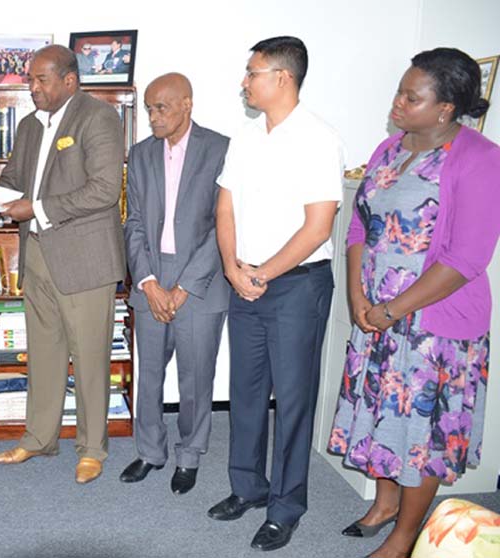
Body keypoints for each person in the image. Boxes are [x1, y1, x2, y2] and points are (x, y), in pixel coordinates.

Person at [328, 48, 500, 558]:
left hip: (432, 325)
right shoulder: (388, 149)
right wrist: (360, 295)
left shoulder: (480, 159)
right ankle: (384, 504)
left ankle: (404, 537)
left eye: (411, 96)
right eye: (400, 91)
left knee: (419, 432)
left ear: (445, 109)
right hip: (376, 313)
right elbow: (360, 226)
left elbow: (466, 258)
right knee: (380, 414)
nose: (397, 102)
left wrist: (392, 310)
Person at [208, 36, 344, 552]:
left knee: (292, 402)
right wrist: (231, 266)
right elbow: (226, 208)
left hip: (295, 287)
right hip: (245, 279)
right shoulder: (246, 136)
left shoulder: (318, 138)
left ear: (282, 78)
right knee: (244, 393)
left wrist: (261, 272)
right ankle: (248, 487)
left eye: (252, 72)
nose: (244, 82)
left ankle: (286, 508)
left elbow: (317, 228)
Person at [0, 44, 125, 485]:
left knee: (89, 358)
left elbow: (104, 190)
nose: (31, 87)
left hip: (85, 260)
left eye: (40, 79)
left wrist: (37, 208)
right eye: (29, 79)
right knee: (43, 355)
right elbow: (13, 179)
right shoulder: (29, 126)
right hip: (38, 258)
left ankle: (91, 448)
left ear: (69, 80)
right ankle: (39, 437)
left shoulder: (99, 117)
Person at [120, 73, 229, 494]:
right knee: (148, 375)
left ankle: (189, 455)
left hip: (200, 280)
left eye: (161, 107)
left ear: (187, 103)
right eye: (148, 108)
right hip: (151, 275)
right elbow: (132, 224)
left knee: (195, 377)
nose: (152, 116)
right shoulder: (141, 153)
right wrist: (147, 281)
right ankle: (150, 452)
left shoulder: (220, 149)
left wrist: (183, 286)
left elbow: (223, 224)